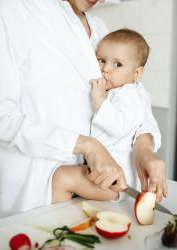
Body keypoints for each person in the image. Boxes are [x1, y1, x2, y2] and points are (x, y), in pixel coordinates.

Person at [0, 0, 167, 221]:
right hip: (34, 194)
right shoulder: (16, 9)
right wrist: (85, 145)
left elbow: (132, 97)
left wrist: (143, 149)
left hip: (89, 199)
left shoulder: (99, 29)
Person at [52, 28, 161, 202]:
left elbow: (119, 127)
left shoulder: (130, 94)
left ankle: (55, 221)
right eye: (101, 60)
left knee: (61, 177)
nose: (105, 69)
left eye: (117, 64)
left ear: (137, 73)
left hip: (115, 179)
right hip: (107, 173)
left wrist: (99, 100)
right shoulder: (119, 90)